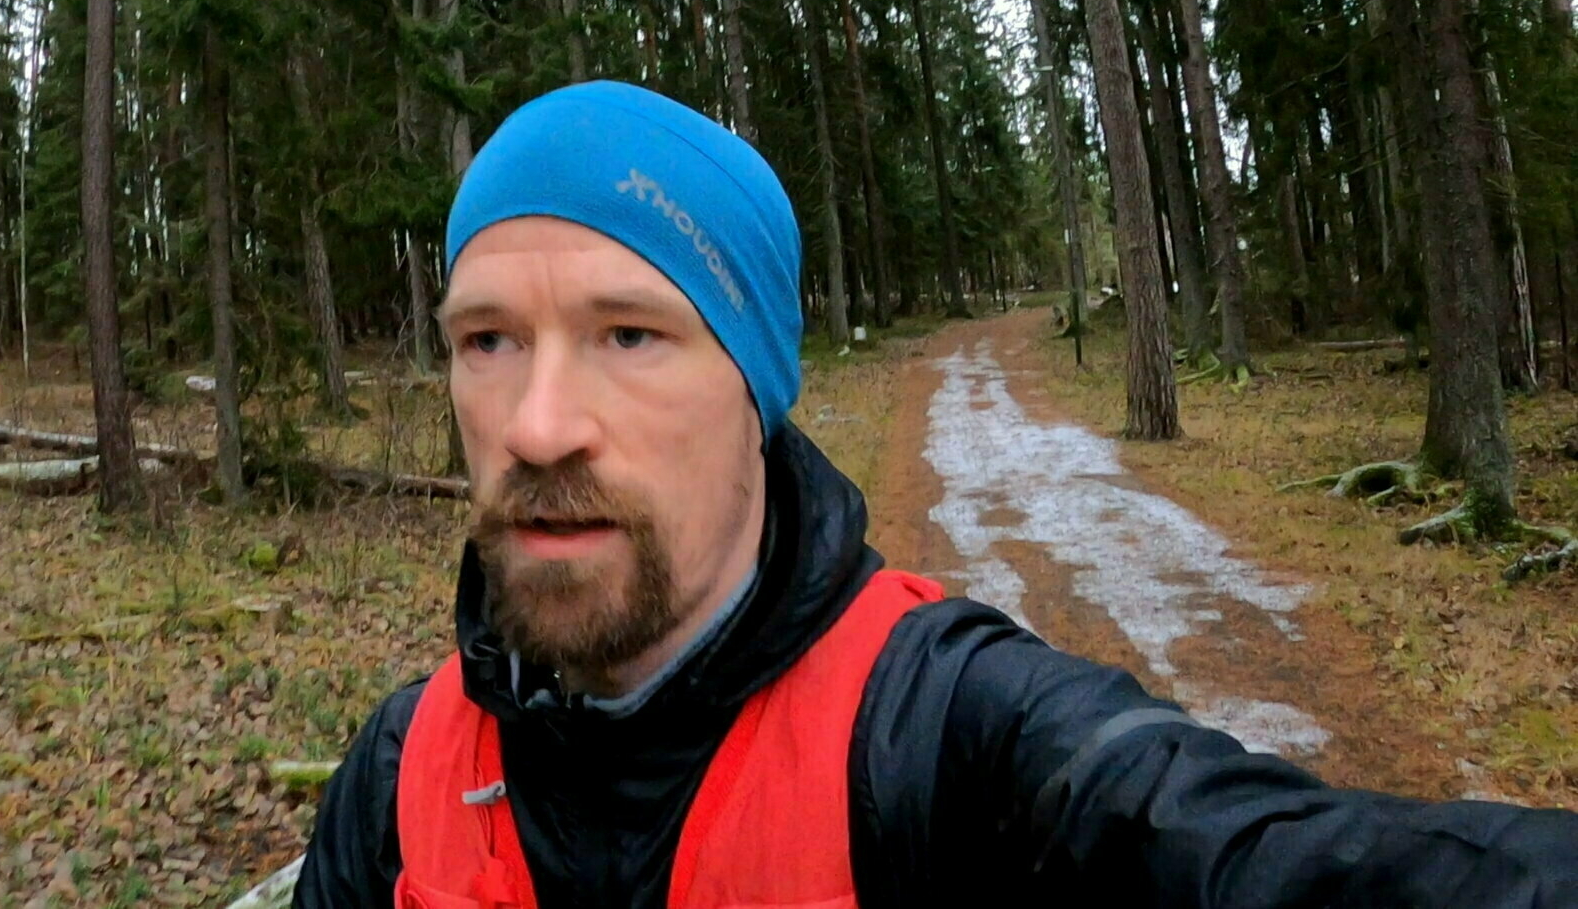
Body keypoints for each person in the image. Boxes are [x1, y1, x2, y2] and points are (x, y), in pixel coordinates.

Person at [293, 80, 1578, 908]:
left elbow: (1257, 857)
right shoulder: (402, 776)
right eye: (486, 340)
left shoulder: (938, 732)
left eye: (629, 333)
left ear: (757, 385)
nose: (533, 422)